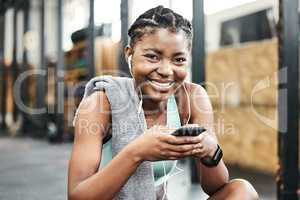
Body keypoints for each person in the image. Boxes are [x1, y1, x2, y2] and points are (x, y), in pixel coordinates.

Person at [68, 5, 259, 200]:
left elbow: (215, 186)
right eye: (152, 56)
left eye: (178, 59)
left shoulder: (191, 97)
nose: (166, 70)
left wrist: (211, 152)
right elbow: (77, 196)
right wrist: (136, 152)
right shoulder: (101, 104)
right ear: (129, 55)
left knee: (241, 191)